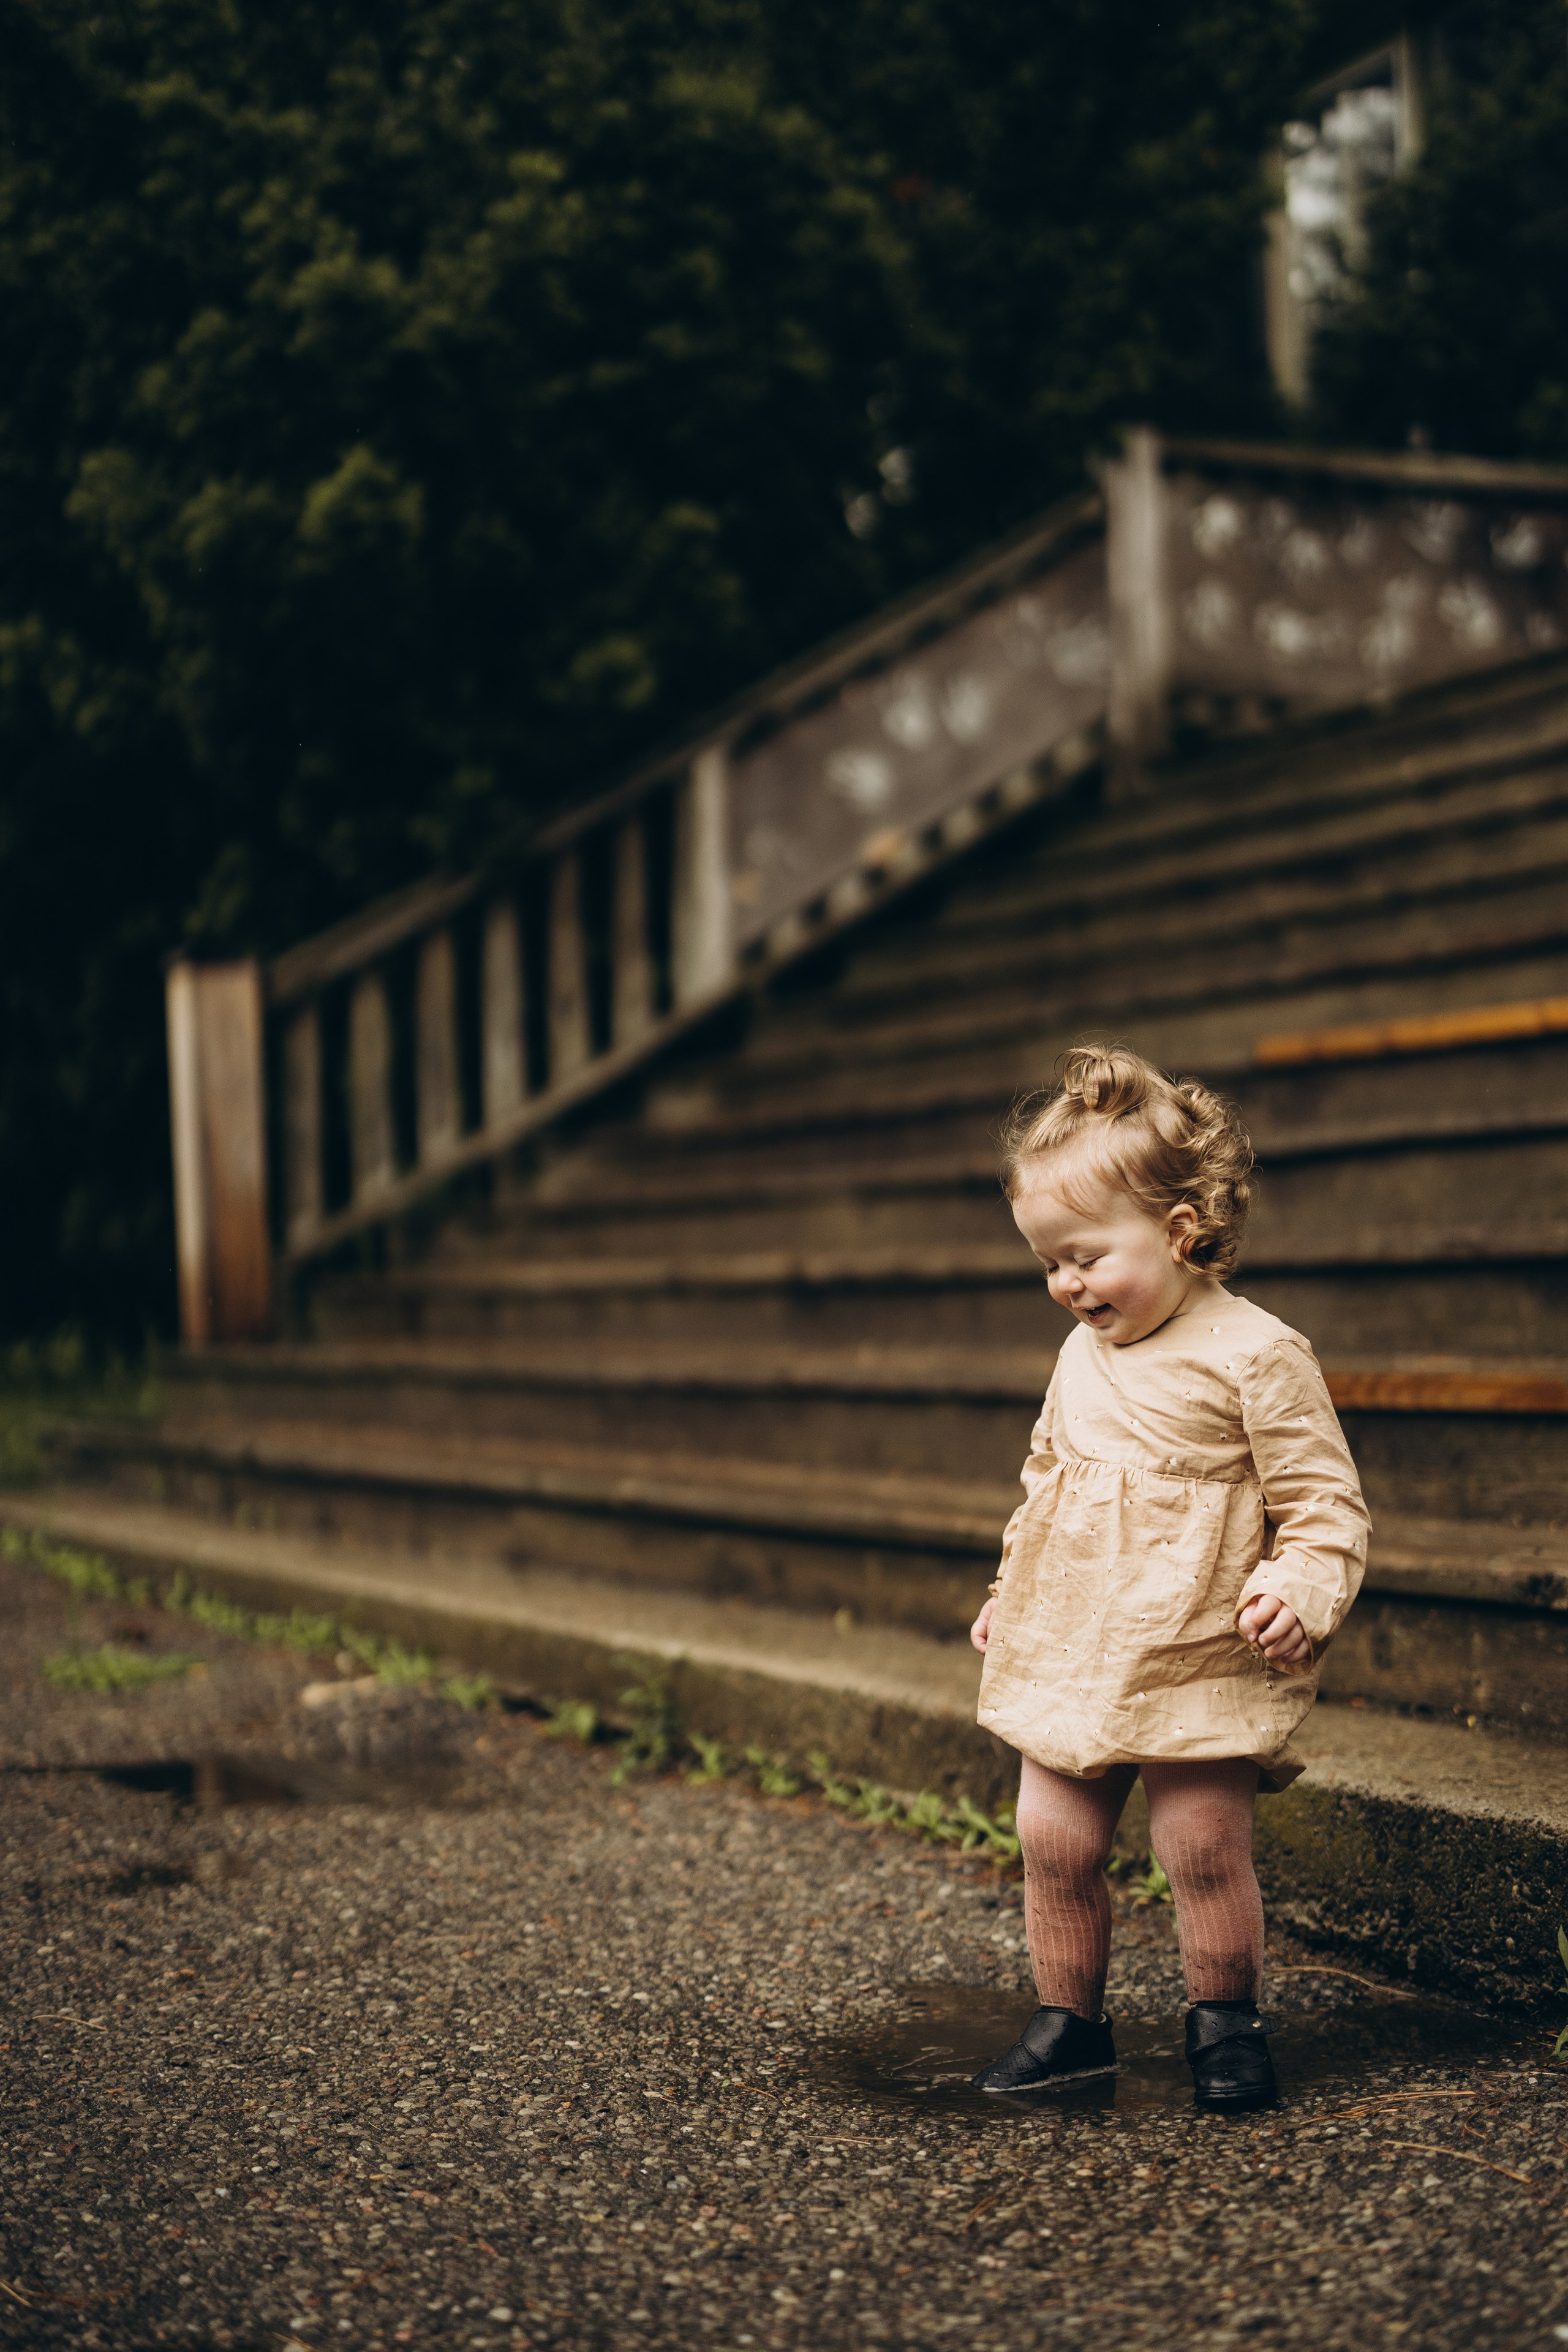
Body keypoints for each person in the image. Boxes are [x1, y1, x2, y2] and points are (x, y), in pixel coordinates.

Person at [968, 1045, 1369, 2111]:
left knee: (1200, 1848)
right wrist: (1014, 1587)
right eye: (1049, 1263)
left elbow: (1326, 1507)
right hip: (1071, 1635)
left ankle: (1225, 2024)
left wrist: (1302, 1590)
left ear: (1182, 1231)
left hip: (1199, 1642)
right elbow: (1047, 1479)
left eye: (1086, 1257)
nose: (1066, 1284)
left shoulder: (1258, 1354)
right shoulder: (1078, 1357)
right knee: (1052, 1840)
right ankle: (1070, 2023)